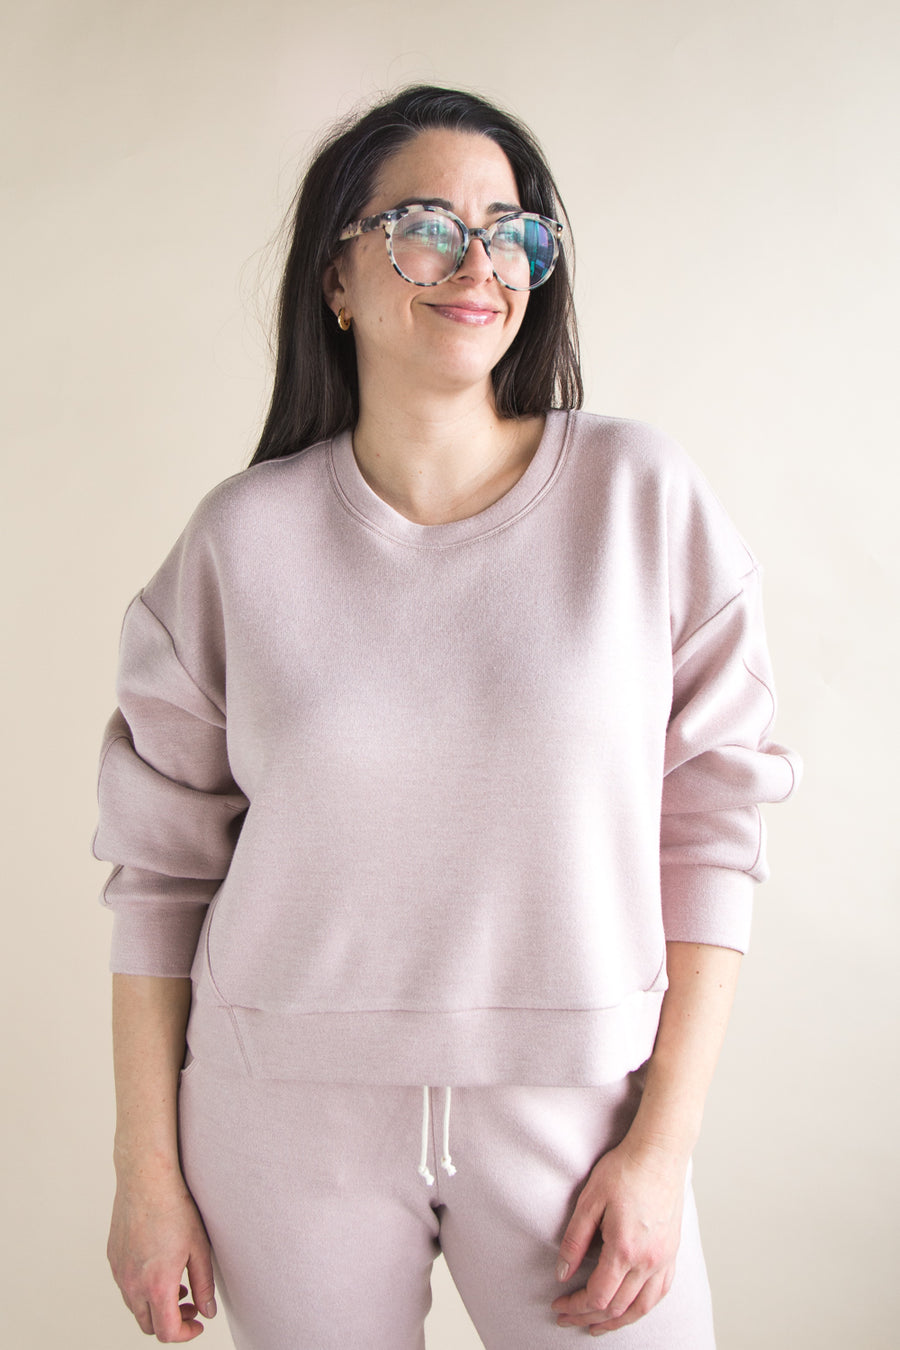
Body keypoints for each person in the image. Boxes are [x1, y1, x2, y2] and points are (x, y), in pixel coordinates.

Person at [92, 84, 800, 1349]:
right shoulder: (238, 544)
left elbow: (712, 833)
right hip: (281, 1119)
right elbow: (159, 876)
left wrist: (663, 1147)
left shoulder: (638, 498)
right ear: (337, 278)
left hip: (578, 1114)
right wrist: (145, 1177)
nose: (480, 264)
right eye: (426, 226)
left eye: (511, 232)